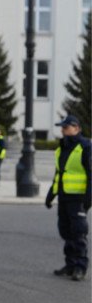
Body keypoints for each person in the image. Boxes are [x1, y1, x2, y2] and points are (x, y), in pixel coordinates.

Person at [45, 115, 91, 282]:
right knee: (65, 231)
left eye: (66, 127)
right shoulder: (62, 147)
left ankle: (80, 267)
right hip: (64, 197)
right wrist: (51, 195)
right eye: (62, 128)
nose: (62, 130)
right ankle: (70, 264)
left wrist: (88, 199)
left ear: (77, 128)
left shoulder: (85, 147)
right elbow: (59, 174)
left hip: (78, 198)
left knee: (78, 233)